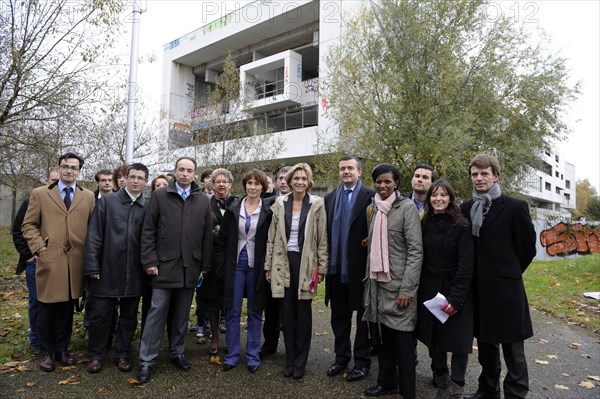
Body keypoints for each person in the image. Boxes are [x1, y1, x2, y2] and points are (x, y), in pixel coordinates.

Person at [460, 154, 536, 399]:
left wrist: (508, 272)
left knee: (513, 348)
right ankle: (488, 389)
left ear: (496, 175)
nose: (479, 178)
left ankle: (515, 393)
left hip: (506, 289)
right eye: (475, 174)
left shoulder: (514, 207)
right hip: (478, 290)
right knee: (485, 345)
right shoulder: (466, 208)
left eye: (484, 173)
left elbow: (527, 248)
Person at [137, 157, 213, 383]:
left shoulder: (202, 200)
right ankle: (146, 360)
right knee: (156, 312)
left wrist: (205, 266)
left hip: (190, 267)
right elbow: (148, 230)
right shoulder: (160, 196)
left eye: (190, 170)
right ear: (174, 171)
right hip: (163, 267)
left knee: (181, 315)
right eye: (181, 169)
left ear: (195, 174)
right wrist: (149, 260)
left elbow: (207, 235)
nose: (185, 174)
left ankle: (177, 352)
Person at [22, 152, 95, 372]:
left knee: (66, 310)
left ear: (79, 171)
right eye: (65, 166)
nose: (69, 170)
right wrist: (39, 247)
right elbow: (29, 225)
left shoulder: (88, 196)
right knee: (46, 308)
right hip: (50, 260)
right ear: (59, 168)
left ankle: (62, 349)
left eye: (74, 167)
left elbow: (93, 228)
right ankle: (46, 352)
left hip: (75, 262)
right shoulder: (40, 194)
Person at [362, 163, 423, 399]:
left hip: (399, 287)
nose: (382, 185)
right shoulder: (374, 208)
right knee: (384, 340)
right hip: (378, 285)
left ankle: (408, 392)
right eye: (378, 181)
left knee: (405, 345)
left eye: (387, 181)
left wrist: (407, 289)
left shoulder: (407, 208)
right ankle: (386, 382)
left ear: (396, 183)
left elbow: (416, 251)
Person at [84, 163, 150, 373]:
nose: (136, 181)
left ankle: (123, 353)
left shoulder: (148, 206)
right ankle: (96, 354)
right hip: (106, 271)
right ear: (125, 179)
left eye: (140, 177)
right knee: (100, 315)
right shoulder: (108, 202)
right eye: (132, 177)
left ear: (146, 181)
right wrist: (93, 265)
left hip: (135, 273)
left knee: (129, 317)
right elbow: (94, 235)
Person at [265, 163, 328, 380]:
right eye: (296, 178)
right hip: (283, 262)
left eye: (304, 178)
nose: (300, 182)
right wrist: (268, 266)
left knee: (303, 314)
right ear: (290, 181)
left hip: (306, 263)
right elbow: (271, 238)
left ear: (309, 182)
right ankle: (290, 360)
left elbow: (322, 239)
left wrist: (322, 268)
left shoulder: (317, 204)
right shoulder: (280, 203)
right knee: (286, 314)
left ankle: (301, 362)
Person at [416, 180, 474, 399]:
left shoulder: (462, 225)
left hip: (457, 291)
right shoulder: (424, 223)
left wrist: (456, 297)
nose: (438, 198)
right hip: (431, 290)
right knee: (435, 340)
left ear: (450, 198)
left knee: (459, 342)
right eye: (434, 195)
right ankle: (441, 378)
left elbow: (466, 264)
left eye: (443, 195)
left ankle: (456, 388)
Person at [217, 169, 273, 373]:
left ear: (263, 187)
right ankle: (232, 355)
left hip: (256, 266)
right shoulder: (233, 207)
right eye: (249, 183)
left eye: (257, 184)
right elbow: (222, 239)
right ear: (244, 185)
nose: (253, 187)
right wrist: (222, 265)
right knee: (232, 310)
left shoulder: (268, 209)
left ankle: (252, 355)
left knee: (255, 311)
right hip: (235, 265)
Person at [324, 155, 374, 381]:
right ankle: (341, 358)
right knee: (339, 318)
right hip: (336, 269)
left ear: (359, 172)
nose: (346, 172)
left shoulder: (371, 197)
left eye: (350, 168)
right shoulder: (330, 198)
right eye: (342, 168)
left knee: (363, 321)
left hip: (360, 270)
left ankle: (362, 362)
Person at [11, 169, 60, 356]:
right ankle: (36, 341)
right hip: (36, 262)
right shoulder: (33, 199)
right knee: (37, 302)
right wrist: (29, 255)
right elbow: (18, 230)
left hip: (58, 262)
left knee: (57, 301)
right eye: (53, 180)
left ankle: (53, 339)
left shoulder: (62, 203)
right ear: (46, 180)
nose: (55, 184)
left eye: (58, 181)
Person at [197, 168, 237, 353]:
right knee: (211, 301)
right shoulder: (204, 204)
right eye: (217, 181)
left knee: (230, 300)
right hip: (210, 259)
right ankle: (214, 338)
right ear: (212, 184)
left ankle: (231, 339)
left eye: (225, 181)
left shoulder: (238, 204)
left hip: (231, 259)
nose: (221, 184)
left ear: (230, 184)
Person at [260, 165, 291, 357]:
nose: (283, 181)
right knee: (270, 309)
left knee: (289, 310)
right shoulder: (267, 204)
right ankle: (269, 345)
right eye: (280, 178)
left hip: (291, 263)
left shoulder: (303, 204)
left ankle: (291, 348)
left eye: (287, 178)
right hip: (270, 262)